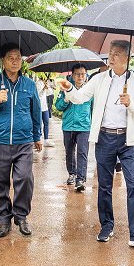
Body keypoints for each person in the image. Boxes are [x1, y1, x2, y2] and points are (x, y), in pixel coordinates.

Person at [58, 40, 134, 248]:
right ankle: (106, 225)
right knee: (105, 186)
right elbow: (80, 98)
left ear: (127, 58)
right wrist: (69, 89)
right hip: (105, 138)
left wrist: (131, 104)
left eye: (117, 54)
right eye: (110, 53)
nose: (111, 57)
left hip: (129, 140)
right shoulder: (99, 79)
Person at [0, 44, 44, 238]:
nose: (15, 61)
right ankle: (4, 219)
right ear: (3, 61)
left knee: (24, 178)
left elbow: (35, 112)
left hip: (23, 141)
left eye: (18, 58)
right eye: (11, 58)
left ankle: (21, 216)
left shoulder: (29, 85)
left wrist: (37, 135)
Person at [54, 63, 92, 192]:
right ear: (73, 75)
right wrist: (65, 99)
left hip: (84, 127)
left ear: (86, 75)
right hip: (68, 126)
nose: (80, 76)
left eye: (83, 74)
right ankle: (72, 173)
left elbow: (94, 108)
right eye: (77, 74)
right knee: (69, 152)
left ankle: (80, 179)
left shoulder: (89, 90)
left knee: (82, 152)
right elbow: (58, 107)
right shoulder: (64, 88)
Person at [36, 76, 55, 147]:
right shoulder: (38, 83)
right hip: (38, 107)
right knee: (39, 124)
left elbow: (49, 93)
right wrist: (44, 88)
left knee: (46, 123)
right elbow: (38, 95)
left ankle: (46, 140)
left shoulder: (46, 83)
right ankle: (38, 140)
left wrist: (48, 87)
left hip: (45, 107)